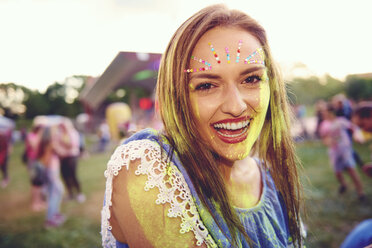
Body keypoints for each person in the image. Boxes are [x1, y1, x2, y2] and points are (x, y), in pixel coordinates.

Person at [101, 4, 304, 247]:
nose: (236, 106)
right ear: (177, 96)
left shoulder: (269, 176)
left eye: (251, 79)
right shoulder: (147, 167)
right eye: (207, 85)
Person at [319, 104, 365, 200]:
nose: (323, 114)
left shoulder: (341, 121)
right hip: (334, 151)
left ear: (331, 112)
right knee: (337, 172)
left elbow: (354, 128)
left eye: (325, 112)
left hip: (345, 149)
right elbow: (324, 139)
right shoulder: (324, 125)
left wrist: (357, 136)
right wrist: (328, 141)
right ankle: (344, 184)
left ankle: (361, 192)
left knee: (351, 170)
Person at [37, 126, 66, 228]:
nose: (55, 133)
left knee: (54, 193)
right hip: (51, 172)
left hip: (51, 171)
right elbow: (61, 152)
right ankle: (50, 219)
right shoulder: (51, 144)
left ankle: (55, 214)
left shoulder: (45, 143)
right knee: (57, 192)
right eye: (54, 132)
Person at [54, 119, 85, 202]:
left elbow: (73, 145)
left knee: (73, 175)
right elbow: (56, 145)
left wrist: (64, 148)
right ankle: (70, 193)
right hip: (63, 158)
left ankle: (79, 193)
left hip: (72, 157)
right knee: (65, 176)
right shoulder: (59, 134)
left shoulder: (73, 133)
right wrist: (61, 150)